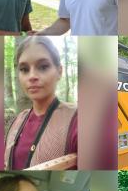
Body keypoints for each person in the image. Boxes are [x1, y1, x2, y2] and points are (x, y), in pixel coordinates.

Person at [5, 37, 77, 170]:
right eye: (24, 69)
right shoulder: (17, 121)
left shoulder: (77, 120)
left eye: (43, 67)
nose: (32, 76)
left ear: (59, 71)